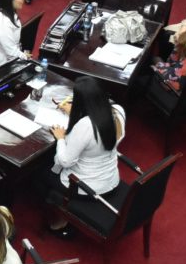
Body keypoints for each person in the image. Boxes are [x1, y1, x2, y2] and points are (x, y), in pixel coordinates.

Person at [44, 77, 125, 236]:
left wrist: (60, 138)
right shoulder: (118, 110)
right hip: (110, 179)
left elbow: (65, 161)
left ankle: (62, 217)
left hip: (87, 187)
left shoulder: (86, 126)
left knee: (40, 174)